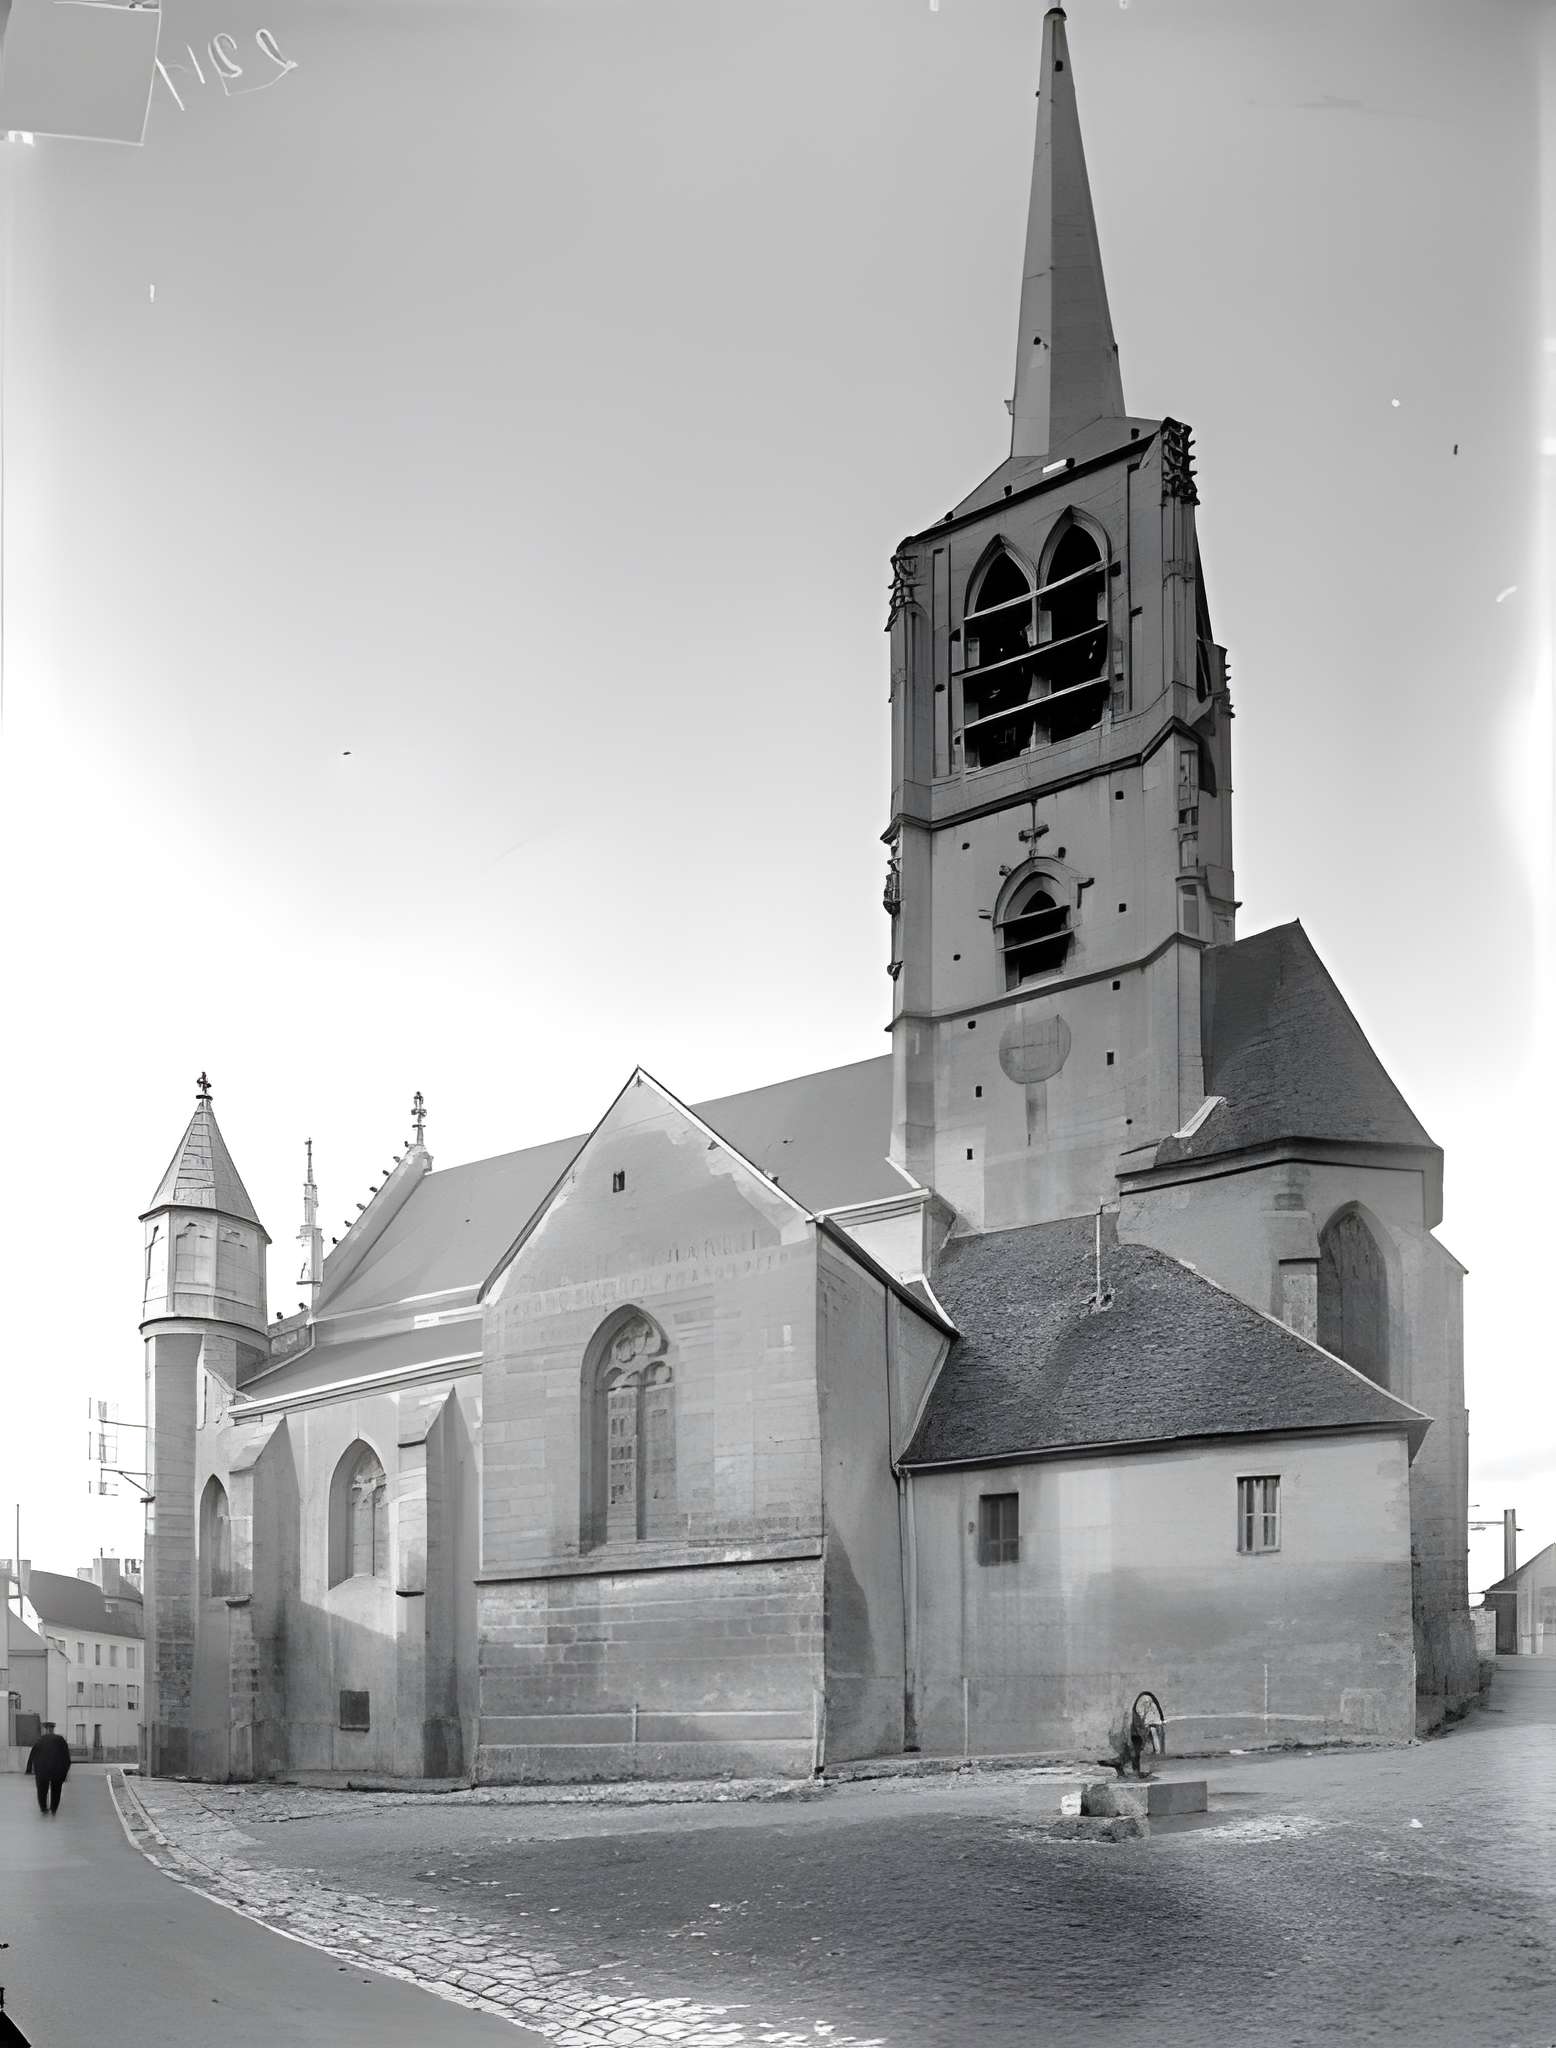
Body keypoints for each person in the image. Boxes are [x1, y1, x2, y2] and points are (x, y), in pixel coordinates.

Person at [24, 1723, 71, 1816]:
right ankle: (54, 1809)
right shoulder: (60, 1740)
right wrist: (65, 1773)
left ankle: (43, 1808)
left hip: (42, 1769)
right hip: (57, 1770)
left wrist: (29, 1769)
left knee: (42, 1790)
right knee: (56, 1790)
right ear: (53, 1729)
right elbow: (67, 1758)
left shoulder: (40, 1740)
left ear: (46, 1729)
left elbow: (32, 1755)